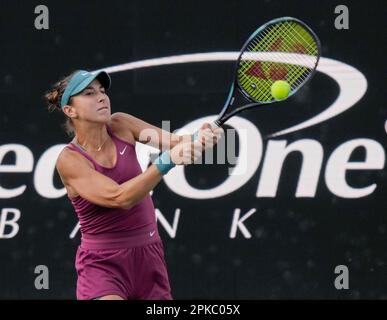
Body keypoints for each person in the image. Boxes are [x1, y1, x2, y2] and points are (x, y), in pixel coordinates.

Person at [44, 69, 223, 300]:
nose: (101, 97)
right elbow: (119, 197)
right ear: (70, 110)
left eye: (102, 91)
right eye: (89, 93)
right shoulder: (70, 160)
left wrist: (202, 137)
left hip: (150, 257)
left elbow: (177, 143)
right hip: (103, 264)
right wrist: (167, 161)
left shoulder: (121, 123)